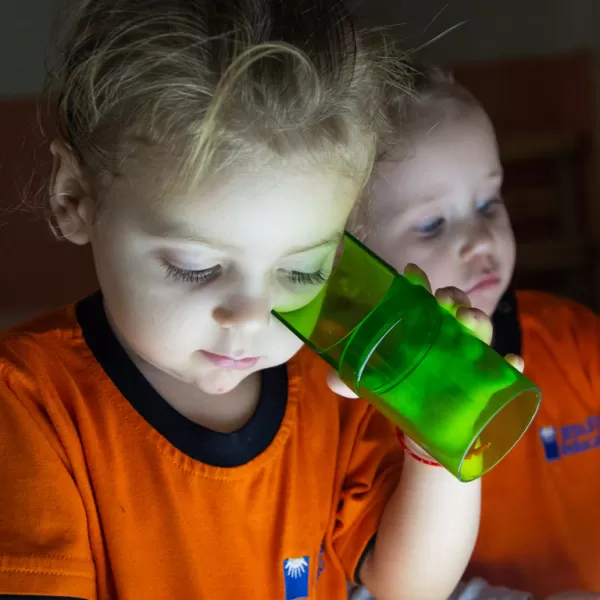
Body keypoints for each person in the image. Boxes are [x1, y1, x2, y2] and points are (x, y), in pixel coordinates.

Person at [0, 3, 515, 599]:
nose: (250, 317)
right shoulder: (29, 405)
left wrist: (436, 445)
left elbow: (408, 588)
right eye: (196, 267)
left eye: (301, 271)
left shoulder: (330, 390)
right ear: (74, 197)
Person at [356, 64, 600, 599]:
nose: (480, 239)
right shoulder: (353, 412)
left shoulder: (574, 339)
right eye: (432, 223)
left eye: (489, 203)